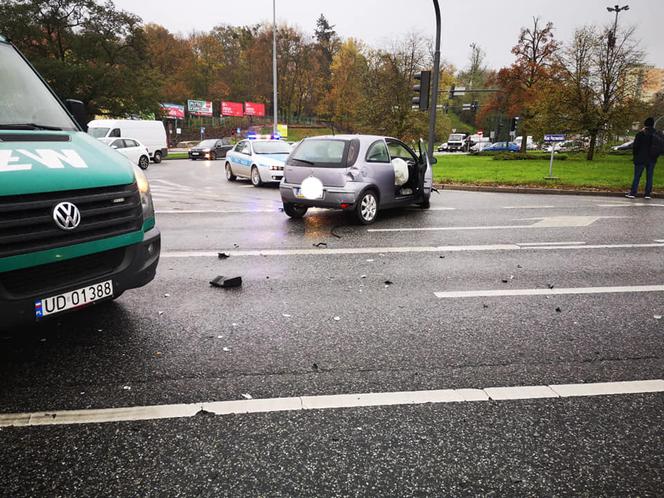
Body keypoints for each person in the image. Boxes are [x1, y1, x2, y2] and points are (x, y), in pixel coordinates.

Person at [626, 117, 662, 199]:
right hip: (652, 158)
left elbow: (635, 147)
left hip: (640, 158)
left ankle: (633, 193)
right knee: (649, 177)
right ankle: (647, 194)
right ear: (653, 124)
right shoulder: (657, 134)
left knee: (637, 176)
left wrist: (635, 156)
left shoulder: (640, 134)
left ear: (645, 124)